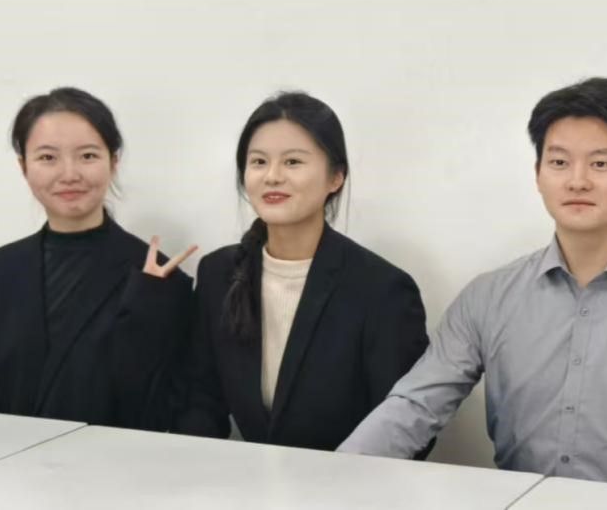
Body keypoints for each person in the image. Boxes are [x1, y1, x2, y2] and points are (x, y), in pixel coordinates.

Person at [340, 75, 607, 494]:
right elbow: (415, 407)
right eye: (559, 162)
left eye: (601, 164)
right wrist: (336, 478)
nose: (577, 181)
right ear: (538, 174)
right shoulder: (488, 299)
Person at [175, 91, 428, 447]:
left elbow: (407, 427)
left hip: (348, 478)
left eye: (293, 162)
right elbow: (201, 399)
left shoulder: (382, 289)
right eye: (258, 162)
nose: (272, 176)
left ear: (336, 177)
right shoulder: (219, 273)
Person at [0, 86, 195, 427]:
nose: (69, 174)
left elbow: (165, 409)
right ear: (23, 167)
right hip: (7, 460)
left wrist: (149, 307)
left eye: (88, 156)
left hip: (117, 461)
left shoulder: (159, 278)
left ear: (113, 162)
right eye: (47, 158)